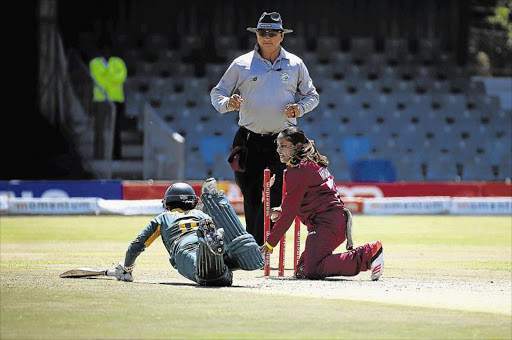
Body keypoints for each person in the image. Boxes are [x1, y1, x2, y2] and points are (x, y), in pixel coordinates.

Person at [210, 12, 319, 246]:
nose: (266, 37)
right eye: (262, 33)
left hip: (283, 143)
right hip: (248, 140)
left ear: (281, 36)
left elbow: (312, 96)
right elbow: (217, 93)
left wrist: (299, 109)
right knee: (250, 195)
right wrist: (227, 104)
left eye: (272, 33)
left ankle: (263, 246)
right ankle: (254, 244)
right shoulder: (241, 64)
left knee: (278, 195)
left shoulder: (296, 64)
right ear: (256, 35)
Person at [259, 126, 384, 280]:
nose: (278, 150)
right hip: (333, 221)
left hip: (327, 223)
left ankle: (368, 253)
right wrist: (282, 209)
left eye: (283, 146)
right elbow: (300, 199)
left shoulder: (300, 170)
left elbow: (290, 213)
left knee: (313, 269)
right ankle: (364, 255)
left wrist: (270, 243)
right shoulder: (308, 164)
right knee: (303, 270)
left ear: (297, 146)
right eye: (278, 145)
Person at [114, 178, 265, 286]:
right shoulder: (202, 215)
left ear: (168, 202)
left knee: (203, 274)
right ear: (193, 201)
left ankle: (207, 248)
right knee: (222, 268)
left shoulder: (162, 218)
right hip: (202, 237)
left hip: (184, 249)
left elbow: (137, 245)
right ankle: (235, 248)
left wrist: (127, 268)